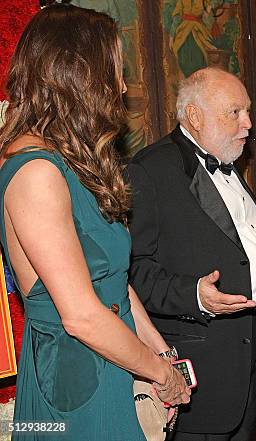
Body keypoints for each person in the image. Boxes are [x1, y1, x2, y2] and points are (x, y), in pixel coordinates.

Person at [0, 5, 190, 441]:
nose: (122, 86)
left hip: (116, 360)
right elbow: (82, 316)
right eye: (115, 71)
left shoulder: (71, 163)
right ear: (78, 75)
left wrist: (162, 354)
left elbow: (113, 282)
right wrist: (159, 372)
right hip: (75, 385)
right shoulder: (35, 172)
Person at [126, 67, 256, 441]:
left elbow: (227, 233)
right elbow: (134, 271)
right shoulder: (150, 170)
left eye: (247, 111)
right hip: (206, 349)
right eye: (235, 112)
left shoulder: (226, 156)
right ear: (195, 116)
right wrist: (194, 295)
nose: (248, 123)